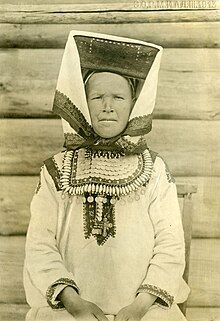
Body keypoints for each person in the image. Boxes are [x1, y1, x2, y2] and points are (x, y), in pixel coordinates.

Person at [23, 30, 190, 321]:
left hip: (144, 308)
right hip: (71, 308)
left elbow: (170, 245)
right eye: (97, 97)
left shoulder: (154, 170)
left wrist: (139, 307)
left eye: (118, 97)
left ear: (133, 105)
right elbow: (40, 244)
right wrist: (75, 304)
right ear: (82, 102)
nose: (108, 106)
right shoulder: (56, 169)